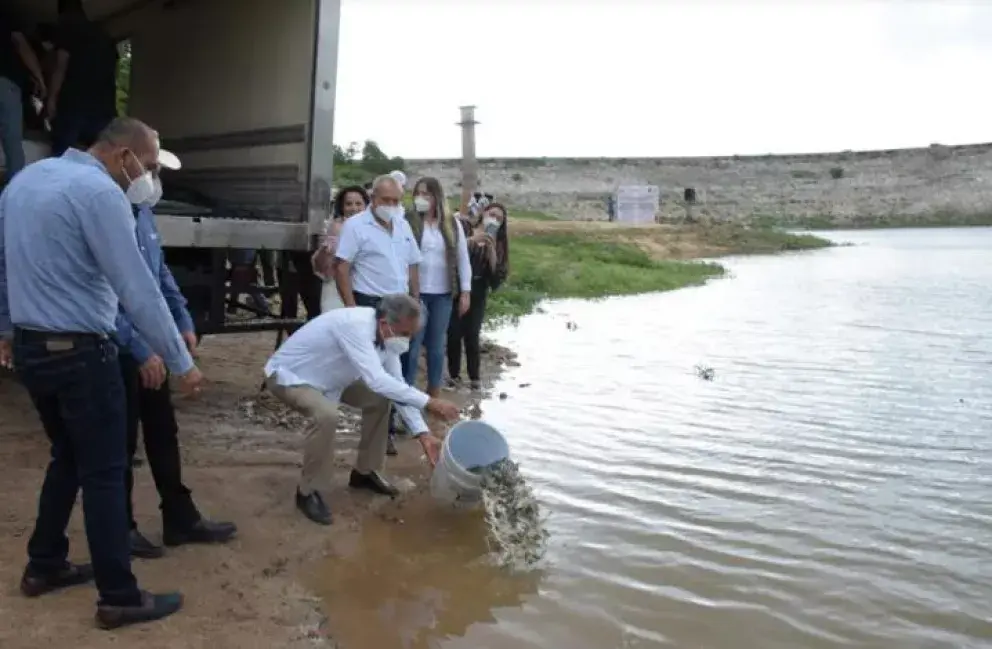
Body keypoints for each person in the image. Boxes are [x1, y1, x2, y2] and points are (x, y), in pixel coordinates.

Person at [0, 117, 203, 629]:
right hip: (81, 354)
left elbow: (6, 265)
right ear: (122, 156)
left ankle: (44, 565)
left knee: (67, 456)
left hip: (33, 351)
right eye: (150, 166)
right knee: (106, 473)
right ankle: (119, 596)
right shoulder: (100, 193)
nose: (149, 178)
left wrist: (5, 329)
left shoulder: (25, 181)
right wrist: (182, 363)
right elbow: (136, 288)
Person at [115, 170, 237, 560]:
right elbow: (106, 291)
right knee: (120, 442)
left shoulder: (144, 213)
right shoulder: (108, 211)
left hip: (149, 343)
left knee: (162, 430)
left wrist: (182, 321)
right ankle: (122, 528)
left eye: (158, 172)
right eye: (149, 169)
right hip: (118, 345)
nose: (154, 179)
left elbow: (160, 275)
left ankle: (179, 518)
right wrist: (139, 351)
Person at [263, 294, 460, 525]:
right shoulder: (355, 326)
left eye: (411, 335)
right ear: (386, 323)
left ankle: (365, 472)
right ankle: (308, 491)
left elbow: (396, 385)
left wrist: (423, 434)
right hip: (292, 376)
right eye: (405, 333)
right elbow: (377, 379)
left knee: (380, 399)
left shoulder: (388, 338)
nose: (407, 341)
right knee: (326, 415)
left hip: (333, 380)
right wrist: (430, 402)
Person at [334, 174, 421, 455]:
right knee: (380, 368)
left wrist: (415, 305)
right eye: (386, 200)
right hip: (370, 303)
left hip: (400, 305)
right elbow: (341, 267)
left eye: (396, 201)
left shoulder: (403, 225)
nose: (391, 205)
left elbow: (413, 266)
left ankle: (389, 428)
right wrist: (351, 309)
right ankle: (381, 431)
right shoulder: (356, 226)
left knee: (396, 364)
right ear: (373, 198)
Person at [403, 177, 471, 396]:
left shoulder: (452, 224)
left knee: (436, 347)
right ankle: (407, 394)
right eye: (418, 194)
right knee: (412, 347)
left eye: (427, 194)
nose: (421, 198)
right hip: (415, 294)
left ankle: (434, 394)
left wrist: (465, 292)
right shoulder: (408, 221)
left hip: (442, 294)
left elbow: (462, 259)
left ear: (437, 197)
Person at [447, 202, 510, 391]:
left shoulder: (499, 243)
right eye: (492, 214)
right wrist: (471, 241)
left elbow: (497, 278)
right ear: (483, 213)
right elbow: (452, 252)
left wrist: (491, 254)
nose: (494, 220)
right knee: (453, 333)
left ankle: (475, 378)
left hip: (479, 288)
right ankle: (454, 375)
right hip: (458, 287)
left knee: (472, 334)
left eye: (499, 218)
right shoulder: (466, 229)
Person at [47, 0, 120, 155]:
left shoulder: (68, 29)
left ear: (63, 15)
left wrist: (51, 99)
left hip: (74, 103)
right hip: (104, 106)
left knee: (63, 153)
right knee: (99, 156)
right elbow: (115, 71)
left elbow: (60, 66)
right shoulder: (104, 35)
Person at [0, 6, 46, 180]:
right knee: (12, 143)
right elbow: (22, 46)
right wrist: (39, 78)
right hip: (5, 82)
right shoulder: (6, 16)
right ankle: (14, 194)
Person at [312, 185, 368, 313]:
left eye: (359, 204)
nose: (354, 208)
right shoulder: (333, 228)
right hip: (334, 290)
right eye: (349, 204)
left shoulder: (374, 230)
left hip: (364, 290)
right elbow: (319, 267)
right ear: (341, 207)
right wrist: (325, 250)